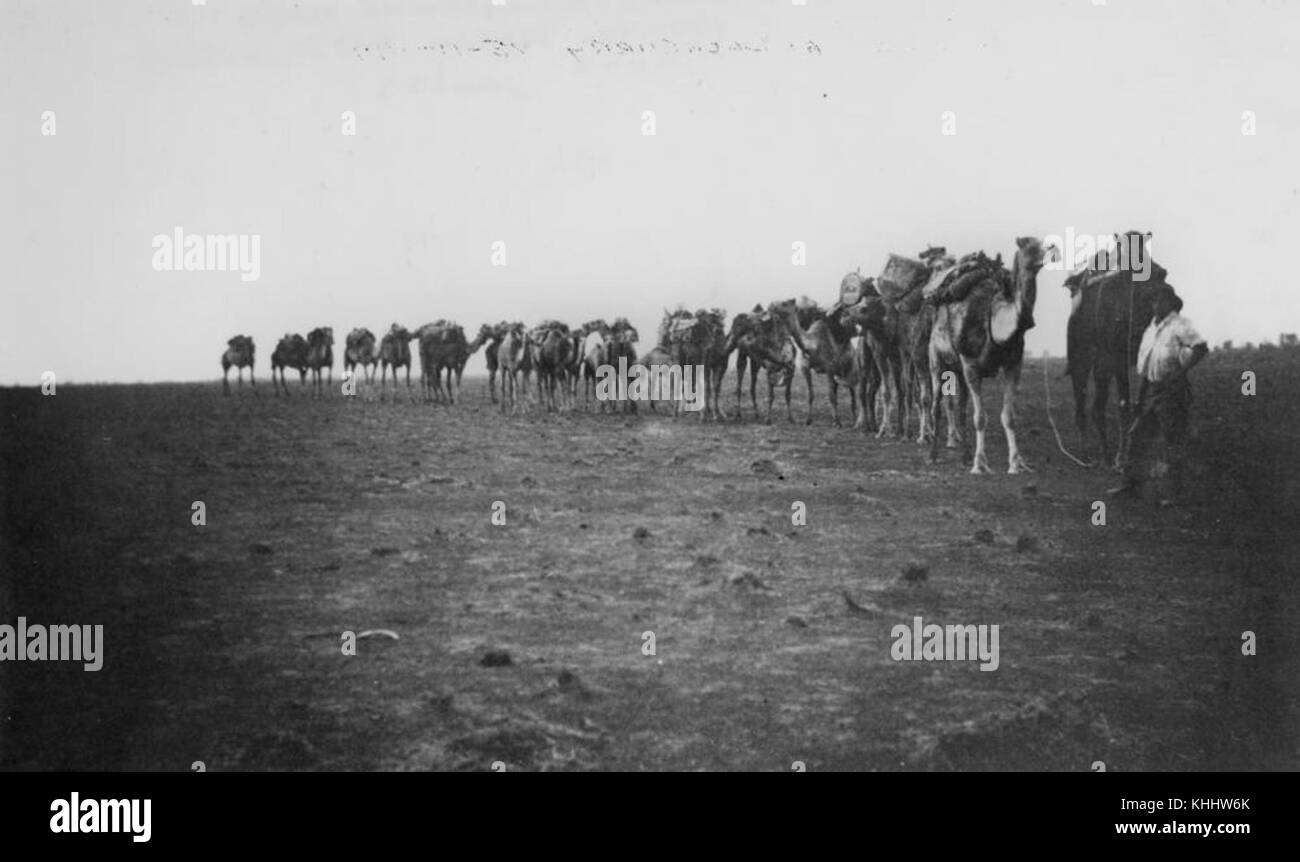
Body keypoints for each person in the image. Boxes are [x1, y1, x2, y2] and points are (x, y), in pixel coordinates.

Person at [1109, 283, 1208, 500]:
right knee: (1137, 435)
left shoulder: (1180, 325)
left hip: (1171, 390)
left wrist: (1180, 373)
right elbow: (1147, 364)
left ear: (1170, 302)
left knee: (1173, 437)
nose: (1155, 305)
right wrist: (1140, 394)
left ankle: (1175, 493)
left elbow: (1201, 347)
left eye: (1160, 300)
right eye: (1153, 300)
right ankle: (1131, 485)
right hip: (1151, 389)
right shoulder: (1152, 328)